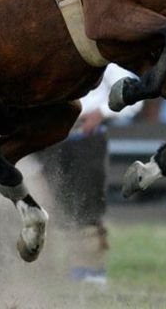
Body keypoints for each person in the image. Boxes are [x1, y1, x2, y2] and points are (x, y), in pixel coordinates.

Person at [39, 64, 143, 284]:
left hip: (85, 139)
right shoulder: (49, 54)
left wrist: (102, 112)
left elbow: (134, 93)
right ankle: (45, 268)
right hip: (48, 138)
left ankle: (90, 268)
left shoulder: (102, 61)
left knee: (88, 205)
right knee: (46, 202)